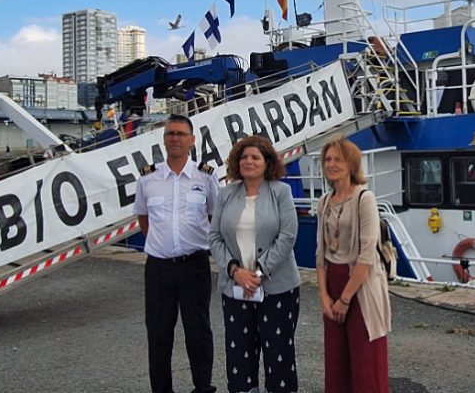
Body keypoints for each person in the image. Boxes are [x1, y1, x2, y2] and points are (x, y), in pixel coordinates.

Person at [134, 114, 220, 393]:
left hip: (194, 266)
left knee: (198, 332)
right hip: (158, 268)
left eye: (181, 134)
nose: (175, 138)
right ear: (163, 139)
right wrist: (163, 244)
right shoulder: (148, 178)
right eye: (170, 133)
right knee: (158, 334)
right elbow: (143, 218)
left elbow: (213, 216)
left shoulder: (206, 176)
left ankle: (202, 387)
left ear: (192, 140)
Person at [209, 136, 300, 393]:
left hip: (277, 288)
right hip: (235, 288)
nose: (248, 161)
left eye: (255, 157)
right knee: (240, 354)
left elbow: (288, 236)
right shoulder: (226, 194)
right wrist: (235, 271)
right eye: (244, 157)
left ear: (267, 162)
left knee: (279, 354)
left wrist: (258, 273)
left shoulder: (281, 192)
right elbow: (214, 237)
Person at [316, 136, 392, 393]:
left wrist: (345, 299)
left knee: (366, 363)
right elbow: (321, 253)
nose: (332, 164)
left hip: (360, 287)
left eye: (338, 159)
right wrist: (324, 295)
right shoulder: (324, 202)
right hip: (333, 284)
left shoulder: (364, 198)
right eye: (328, 159)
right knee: (337, 364)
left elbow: (367, 254)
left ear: (351, 164)